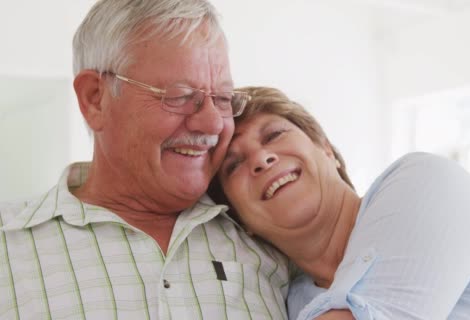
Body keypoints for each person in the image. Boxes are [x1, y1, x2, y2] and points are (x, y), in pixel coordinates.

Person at [0, 1, 289, 319]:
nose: (212, 124)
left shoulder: (269, 236)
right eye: (179, 96)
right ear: (95, 99)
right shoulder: (8, 249)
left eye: (222, 99)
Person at [210, 86, 470, 320]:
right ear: (242, 221)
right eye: (234, 165)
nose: (260, 159)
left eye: (274, 134)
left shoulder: (422, 184)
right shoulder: (294, 302)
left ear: (326, 150)